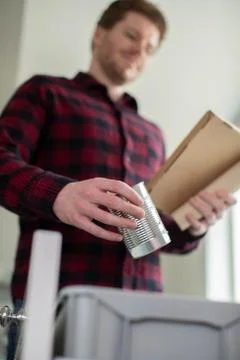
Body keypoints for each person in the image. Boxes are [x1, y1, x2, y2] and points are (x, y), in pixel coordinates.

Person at [0, 1, 236, 359]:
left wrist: (194, 225)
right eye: (131, 35)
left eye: (150, 48)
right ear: (99, 34)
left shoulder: (153, 134)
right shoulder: (46, 93)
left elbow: (155, 231)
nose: (139, 50)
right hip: (52, 304)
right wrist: (60, 194)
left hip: (143, 313)